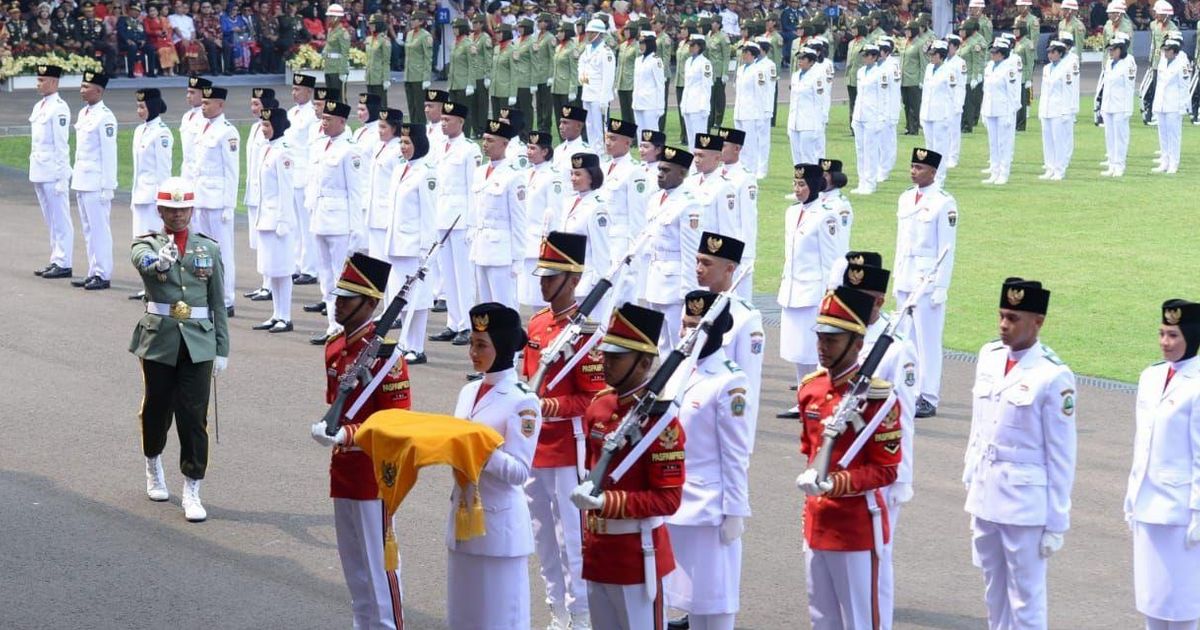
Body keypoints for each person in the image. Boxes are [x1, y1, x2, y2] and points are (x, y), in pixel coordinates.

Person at [963, 278, 1076, 630]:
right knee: (993, 591)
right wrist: (971, 479)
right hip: (985, 495)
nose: (1003, 325)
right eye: (1001, 315)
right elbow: (978, 427)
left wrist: (1057, 521)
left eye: (1013, 318)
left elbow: (1062, 455)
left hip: (1025, 506)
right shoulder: (989, 357)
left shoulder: (1053, 376)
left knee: (1025, 599)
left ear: (1037, 321)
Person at [308, 252, 410, 629]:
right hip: (344, 470)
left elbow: (397, 423)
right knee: (355, 570)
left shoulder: (388, 358)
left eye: (347, 298)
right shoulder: (336, 346)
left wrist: (348, 433)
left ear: (370, 304)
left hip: (374, 475)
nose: (337, 303)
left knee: (379, 569)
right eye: (338, 295)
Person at [569, 302, 684, 630]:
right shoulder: (599, 407)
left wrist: (608, 502)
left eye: (616, 358)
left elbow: (668, 500)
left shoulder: (661, 425)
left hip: (637, 556)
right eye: (606, 355)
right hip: (598, 553)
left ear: (644, 363)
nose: (605, 363)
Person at [794, 285, 902, 630]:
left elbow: (886, 470)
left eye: (833, 340)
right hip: (817, 521)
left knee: (861, 620)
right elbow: (809, 451)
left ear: (857, 344)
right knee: (822, 618)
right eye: (821, 338)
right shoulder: (811, 388)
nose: (822, 348)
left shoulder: (878, 398)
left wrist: (837, 482)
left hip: (856, 527)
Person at [129, 176, 229, 522]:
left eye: (183, 209)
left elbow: (218, 303)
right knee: (157, 408)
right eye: (171, 210)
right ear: (160, 211)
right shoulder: (147, 244)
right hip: (160, 340)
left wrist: (222, 349)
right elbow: (141, 262)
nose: (178, 216)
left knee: (193, 415)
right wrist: (160, 263)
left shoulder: (208, 248)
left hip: (198, 342)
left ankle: (192, 486)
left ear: (191, 209)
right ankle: (153, 463)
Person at [520, 231, 607, 629]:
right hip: (534, 446)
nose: (543, 282)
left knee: (572, 535)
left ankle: (582, 612)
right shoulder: (537, 324)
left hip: (567, 448)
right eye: (542, 275)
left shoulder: (587, 334)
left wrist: (546, 406)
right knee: (541, 533)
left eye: (551, 276)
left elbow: (594, 401)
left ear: (573, 279)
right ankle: (557, 608)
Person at [830, 252, 920, 630]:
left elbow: (903, 418)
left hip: (880, 470)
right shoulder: (841, 337)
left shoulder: (896, 348)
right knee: (839, 560)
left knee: (875, 559)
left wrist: (897, 476)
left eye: (861, 295)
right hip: (840, 466)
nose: (850, 301)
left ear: (880, 301)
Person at [447, 302, 540, 630]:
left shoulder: (522, 399)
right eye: (472, 343)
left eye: (481, 345)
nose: (473, 351)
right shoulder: (468, 390)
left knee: (500, 620)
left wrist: (478, 449)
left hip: (499, 526)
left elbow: (519, 471)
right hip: (463, 518)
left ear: (501, 347)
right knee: (464, 618)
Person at [662, 289, 751, 630]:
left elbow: (735, 454)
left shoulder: (730, 382)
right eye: (685, 325)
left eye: (695, 327)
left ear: (715, 332)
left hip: (708, 511)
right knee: (676, 601)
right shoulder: (677, 368)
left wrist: (734, 511)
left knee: (713, 608)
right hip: (673, 502)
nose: (686, 333)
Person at [1126, 299, 1200, 630]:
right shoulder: (1151, 376)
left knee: (1182, 610)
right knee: (1152, 605)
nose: (1165, 342)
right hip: (1147, 506)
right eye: (1162, 333)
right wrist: (1131, 496)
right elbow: (1142, 445)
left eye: (1173, 335)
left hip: (1180, 514)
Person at [776, 164, 846, 419]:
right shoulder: (791, 212)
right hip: (792, 288)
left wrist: (831, 293)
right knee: (797, 351)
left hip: (813, 290)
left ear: (815, 185)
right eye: (795, 184)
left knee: (816, 351)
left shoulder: (826, 215)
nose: (797, 190)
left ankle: (822, 400)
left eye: (802, 185)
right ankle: (803, 399)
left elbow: (833, 259)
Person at [893, 148, 956, 418]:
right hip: (906, 275)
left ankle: (928, 395)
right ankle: (907, 388)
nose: (913, 171)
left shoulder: (944, 202)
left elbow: (947, 248)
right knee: (906, 338)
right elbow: (900, 241)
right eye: (912, 166)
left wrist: (941, 286)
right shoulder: (906, 198)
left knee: (928, 341)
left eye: (919, 168)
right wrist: (896, 276)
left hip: (927, 279)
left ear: (933, 172)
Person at [695, 232, 764, 448]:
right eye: (697, 261)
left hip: (723, 418)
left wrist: (744, 442)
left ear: (729, 269)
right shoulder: (694, 306)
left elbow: (749, 382)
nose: (698, 268)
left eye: (706, 263)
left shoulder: (746, 317)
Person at [307, 100, 365, 344]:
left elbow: (355, 192)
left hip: (340, 219)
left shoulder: (350, 150)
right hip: (320, 216)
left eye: (329, 119)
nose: (324, 123)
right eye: (323, 119)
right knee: (326, 275)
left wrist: (356, 229)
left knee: (341, 275)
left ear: (342, 122)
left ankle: (345, 325)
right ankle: (332, 323)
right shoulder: (320, 146)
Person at [384, 121, 438, 364]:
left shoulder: (427, 172)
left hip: (415, 246)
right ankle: (405, 343)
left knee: (419, 297)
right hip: (398, 244)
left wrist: (427, 249)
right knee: (401, 296)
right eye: (402, 142)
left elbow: (429, 213)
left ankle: (417, 346)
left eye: (407, 142)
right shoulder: (399, 169)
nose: (403, 147)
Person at [642, 146, 704, 352]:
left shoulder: (688, 205)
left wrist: (689, 296)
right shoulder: (655, 200)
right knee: (661, 343)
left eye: (666, 170)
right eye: (659, 169)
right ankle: (665, 384)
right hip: (655, 279)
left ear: (682, 173)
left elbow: (691, 252)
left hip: (675, 283)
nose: (660, 174)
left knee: (680, 343)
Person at [185, 85, 240, 314]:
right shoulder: (202, 128)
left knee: (222, 251)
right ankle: (207, 295)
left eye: (208, 103)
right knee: (203, 253)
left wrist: (229, 204)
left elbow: (232, 172)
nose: (204, 107)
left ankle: (226, 299)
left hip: (217, 201)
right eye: (203, 103)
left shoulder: (227, 132)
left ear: (220, 104)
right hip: (201, 198)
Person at [429, 101, 479, 348]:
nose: (443, 123)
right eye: (442, 120)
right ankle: (453, 322)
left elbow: (473, 189)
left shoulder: (469, 150)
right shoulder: (438, 147)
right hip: (441, 216)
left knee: (463, 276)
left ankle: (468, 325)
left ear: (460, 122)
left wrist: (472, 223)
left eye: (448, 120)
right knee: (447, 273)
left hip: (460, 219)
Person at [249, 107, 297, 334]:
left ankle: (285, 316)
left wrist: (283, 220)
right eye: (262, 126)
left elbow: (286, 190)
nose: (263, 130)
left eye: (267, 126)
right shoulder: (267, 149)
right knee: (271, 270)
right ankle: (276, 313)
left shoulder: (283, 151)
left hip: (278, 219)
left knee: (283, 270)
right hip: (265, 217)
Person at [70, 70, 118, 291]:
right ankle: (93, 271)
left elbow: (109, 154)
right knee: (88, 228)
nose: (82, 91)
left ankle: (103, 273)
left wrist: (108, 186)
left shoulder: (105, 117)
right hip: (82, 178)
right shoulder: (84, 113)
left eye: (85, 87)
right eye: (81, 86)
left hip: (96, 182)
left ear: (98, 90)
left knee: (99, 229)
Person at [29, 64, 74, 281]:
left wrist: (61, 176)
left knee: (60, 218)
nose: (38, 84)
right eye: (38, 80)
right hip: (39, 170)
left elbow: (61, 145)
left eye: (42, 80)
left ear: (54, 83)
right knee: (51, 219)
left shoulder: (59, 108)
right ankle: (56, 258)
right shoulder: (39, 106)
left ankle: (64, 262)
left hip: (53, 172)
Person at [128, 88, 172, 299]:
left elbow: (164, 170)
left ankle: (158, 286)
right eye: (138, 106)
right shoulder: (140, 131)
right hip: (140, 195)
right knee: (141, 243)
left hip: (153, 197)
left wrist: (161, 201)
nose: (139, 111)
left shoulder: (162, 133)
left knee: (156, 244)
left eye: (142, 107)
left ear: (153, 107)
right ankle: (147, 285)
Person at [552, 151, 610, 301]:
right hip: (567, 280)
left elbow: (601, 250)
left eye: (578, 174)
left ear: (591, 177)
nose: (572, 179)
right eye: (572, 174)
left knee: (586, 325)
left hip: (586, 283)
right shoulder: (569, 202)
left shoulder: (597, 207)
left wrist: (599, 287)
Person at [600, 118, 646, 290]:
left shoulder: (635, 171)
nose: (608, 142)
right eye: (607, 137)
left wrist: (634, 253)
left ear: (627, 142)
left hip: (621, 241)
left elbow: (637, 216)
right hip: (604, 238)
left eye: (613, 138)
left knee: (621, 293)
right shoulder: (604, 167)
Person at [287, 73, 321, 286]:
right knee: (295, 225)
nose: (294, 92)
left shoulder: (313, 115)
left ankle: (310, 268)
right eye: (293, 89)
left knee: (306, 224)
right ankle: (298, 264)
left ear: (309, 92)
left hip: (305, 174)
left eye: (298, 89)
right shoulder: (291, 112)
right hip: (291, 173)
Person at [242, 88, 273, 303]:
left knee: (267, 243)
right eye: (252, 104)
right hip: (253, 192)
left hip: (266, 196)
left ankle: (270, 285)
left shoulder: (272, 129)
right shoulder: (255, 128)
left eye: (257, 104)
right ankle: (264, 283)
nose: (254, 109)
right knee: (258, 242)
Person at [687, 133, 740, 249]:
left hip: (709, 250)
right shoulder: (689, 182)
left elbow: (728, 230)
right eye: (695, 155)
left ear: (717, 158)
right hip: (688, 248)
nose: (696, 160)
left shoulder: (724, 187)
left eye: (701, 156)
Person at [980, 39, 1018, 185]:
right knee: (993, 143)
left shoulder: (1009, 69)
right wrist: (983, 110)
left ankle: (1004, 172)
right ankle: (994, 172)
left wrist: (1010, 113)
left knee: (1004, 143)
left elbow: (1012, 93)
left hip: (1004, 110)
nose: (992, 55)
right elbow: (986, 91)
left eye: (995, 52)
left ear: (1002, 54)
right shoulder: (989, 67)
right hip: (990, 109)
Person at [1100, 35, 1137, 178]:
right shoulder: (1110, 63)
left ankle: (1120, 165)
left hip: (1121, 105)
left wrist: (1128, 108)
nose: (1110, 52)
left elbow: (1129, 86)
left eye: (1113, 49)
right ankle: (1111, 164)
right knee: (1109, 136)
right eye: (1109, 49)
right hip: (1108, 104)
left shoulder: (1129, 62)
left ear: (1121, 49)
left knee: (1120, 137)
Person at [851, 44, 884, 195]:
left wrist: (881, 118)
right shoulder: (861, 72)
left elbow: (883, 98)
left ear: (874, 57)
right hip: (860, 115)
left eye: (866, 55)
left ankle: (870, 183)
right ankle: (861, 182)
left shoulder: (880, 73)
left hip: (873, 116)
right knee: (860, 150)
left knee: (870, 150)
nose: (863, 58)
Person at [1152, 35, 1188, 175]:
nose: (1165, 52)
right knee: (1163, 134)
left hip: (1174, 104)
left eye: (1167, 50)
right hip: (1161, 103)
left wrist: (1183, 106)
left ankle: (1174, 163)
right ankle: (1164, 161)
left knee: (1174, 135)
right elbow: (1160, 84)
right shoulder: (1162, 61)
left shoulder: (1182, 64)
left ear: (1174, 51)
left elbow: (1184, 86)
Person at [920, 41, 955, 185]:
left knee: (940, 147)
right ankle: (930, 176)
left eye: (934, 54)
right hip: (928, 113)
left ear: (941, 56)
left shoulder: (949, 70)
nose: (931, 57)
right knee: (929, 148)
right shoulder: (929, 68)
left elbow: (951, 95)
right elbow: (925, 93)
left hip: (941, 114)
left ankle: (939, 178)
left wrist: (949, 116)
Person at [1038, 40, 1074, 181]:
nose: (1050, 55)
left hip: (1059, 109)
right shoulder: (1047, 68)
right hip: (1046, 108)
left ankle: (1059, 169)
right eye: (1049, 52)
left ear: (1060, 53)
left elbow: (1068, 91)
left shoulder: (1066, 68)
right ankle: (1050, 168)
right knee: (1047, 141)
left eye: (1053, 52)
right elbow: (1044, 90)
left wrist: (1066, 111)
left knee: (1058, 140)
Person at [578, 18, 616, 145]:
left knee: (599, 127)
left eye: (592, 32)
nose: (588, 35)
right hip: (587, 92)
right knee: (589, 125)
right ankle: (593, 149)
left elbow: (608, 77)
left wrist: (604, 98)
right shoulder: (587, 49)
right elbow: (581, 66)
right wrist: (583, 78)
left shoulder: (606, 52)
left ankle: (601, 152)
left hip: (599, 95)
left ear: (599, 34)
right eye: (588, 32)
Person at [787, 46, 825, 166]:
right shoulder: (795, 75)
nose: (800, 61)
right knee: (796, 156)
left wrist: (819, 124)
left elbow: (820, 102)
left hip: (809, 122)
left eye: (803, 58)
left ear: (811, 62)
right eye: (799, 58)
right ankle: (799, 181)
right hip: (794, 121)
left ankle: (811, 181)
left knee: (808, 155)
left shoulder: (817, 77)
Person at [680, 34, 713, 150]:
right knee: (691, 138)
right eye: (689, 45)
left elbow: (706, 86)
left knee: (700, 138)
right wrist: (683, 104)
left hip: (699, 105)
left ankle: (701, 165)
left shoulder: (705, 63)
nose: (690, 47)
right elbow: (687, 85)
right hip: (688, 103)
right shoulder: (688, 61)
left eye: (692, 45)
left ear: (699, 47)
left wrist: (704, 106)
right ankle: (693, 165)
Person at [632, 29, 666, 133]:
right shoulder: (638, 60)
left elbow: (660, 85)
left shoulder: (656, 61)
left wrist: (660, 107)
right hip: (638, 102)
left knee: (651, 134)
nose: (641, 45)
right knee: (640, 134)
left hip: (650, 104)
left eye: (643, 43)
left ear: (650, 44)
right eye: (640, 42)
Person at [404, 12, 433, 124]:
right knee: (411, 104)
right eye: (411, 19)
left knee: (420, 105)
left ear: (421, 21)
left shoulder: (425, 36)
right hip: (408, 74)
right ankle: (414, 126)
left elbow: (428, 58)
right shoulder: (409, 34)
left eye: (415, 19)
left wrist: (426, 77)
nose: (412, 21)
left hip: (419, 75)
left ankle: (421, 126)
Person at [554, 105, 595, 173]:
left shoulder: (586, 152)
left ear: (578, 126)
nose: (560, 127)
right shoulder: (558, 149)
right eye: (560, 122)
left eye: (565, 123)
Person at [900, 21, 924, 136]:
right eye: (906, 29)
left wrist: (922, 80)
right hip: (904, 79)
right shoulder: (904, 42)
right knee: (906, 104)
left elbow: (923, 64)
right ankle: (908, 126)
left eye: (909, 29)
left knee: (914, 105)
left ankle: (914, 128)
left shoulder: (920, 44)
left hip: (914, 79)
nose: (907, 31)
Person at [364, 16, 391, 108]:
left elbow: (386, 61)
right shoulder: (368, 39)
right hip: (370, 76)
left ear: (378, 25)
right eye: (370, 24)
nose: (370, 26)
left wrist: (386, 78)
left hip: (379, 77)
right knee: (371, 105)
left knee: (381, 105)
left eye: (373, 24)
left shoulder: (384, 40)